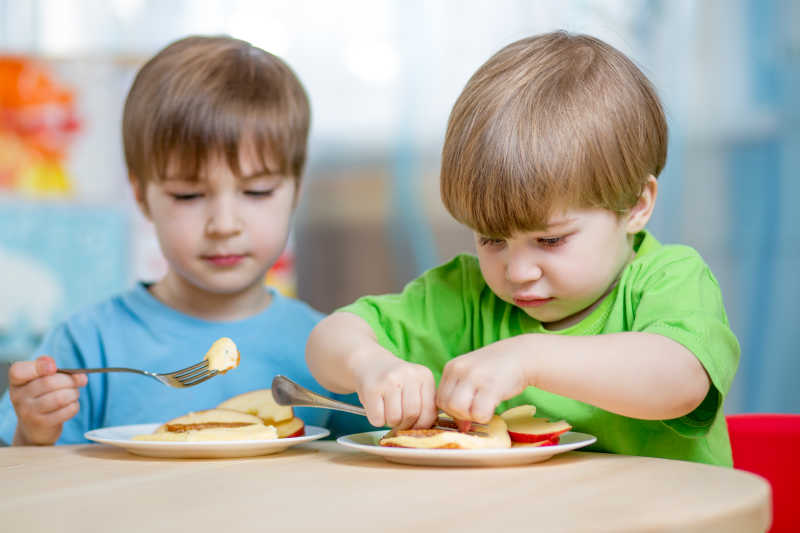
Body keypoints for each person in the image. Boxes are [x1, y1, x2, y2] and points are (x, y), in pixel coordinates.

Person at [306, 31, 740, 466]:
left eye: (549, 240)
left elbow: (680, 382)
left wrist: (529, 357)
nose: (517, 272)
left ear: (636, 206)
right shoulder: (468, 292)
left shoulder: (670, 278)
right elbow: (327, 342)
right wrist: (370, 365)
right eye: (491, 239)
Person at [1, 35, 367, 446]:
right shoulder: (87, 346)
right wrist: (33, 430)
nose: (224, 225)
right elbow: (28, 485)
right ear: (141, 196)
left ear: (295, 191)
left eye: (258, 191)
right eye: (188, 195)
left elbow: (367, 463)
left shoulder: (332, 349)